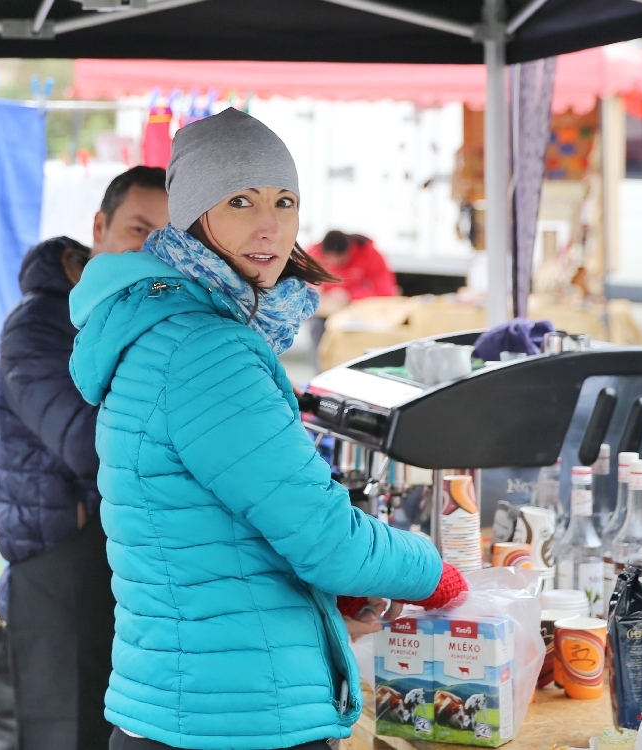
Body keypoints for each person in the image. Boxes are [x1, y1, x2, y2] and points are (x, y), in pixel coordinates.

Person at [67, 108, 458, 749]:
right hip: (236, 722)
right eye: (241, 202)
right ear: (194, 217)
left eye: (286, 201)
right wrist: (436, 572)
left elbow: (224, 533)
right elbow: (326, 538)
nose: (270, 226)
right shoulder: (208, 351)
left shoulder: (164, 329)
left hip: (188, 700)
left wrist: (333, 598)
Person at [0, 166, 170, 750]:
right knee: (62, 731)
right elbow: (87, 442)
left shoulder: (142, 318)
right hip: (57, 557)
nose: (150, 251)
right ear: (100, 227)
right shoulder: (39, 327)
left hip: (119, 560)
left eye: (167, 240)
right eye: (139, 229)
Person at [306, 230, 398, 367]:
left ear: (349, 251)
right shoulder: (314, 253)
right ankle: (320, 371)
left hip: (357, 311)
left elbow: (386, 291)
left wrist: (350, 296)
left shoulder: (369, 254)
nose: (334, 262)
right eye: (329, 258)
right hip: (326, 312)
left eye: (339, 258)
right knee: (316, 325)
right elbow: (298, 278)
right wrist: (313, 288)